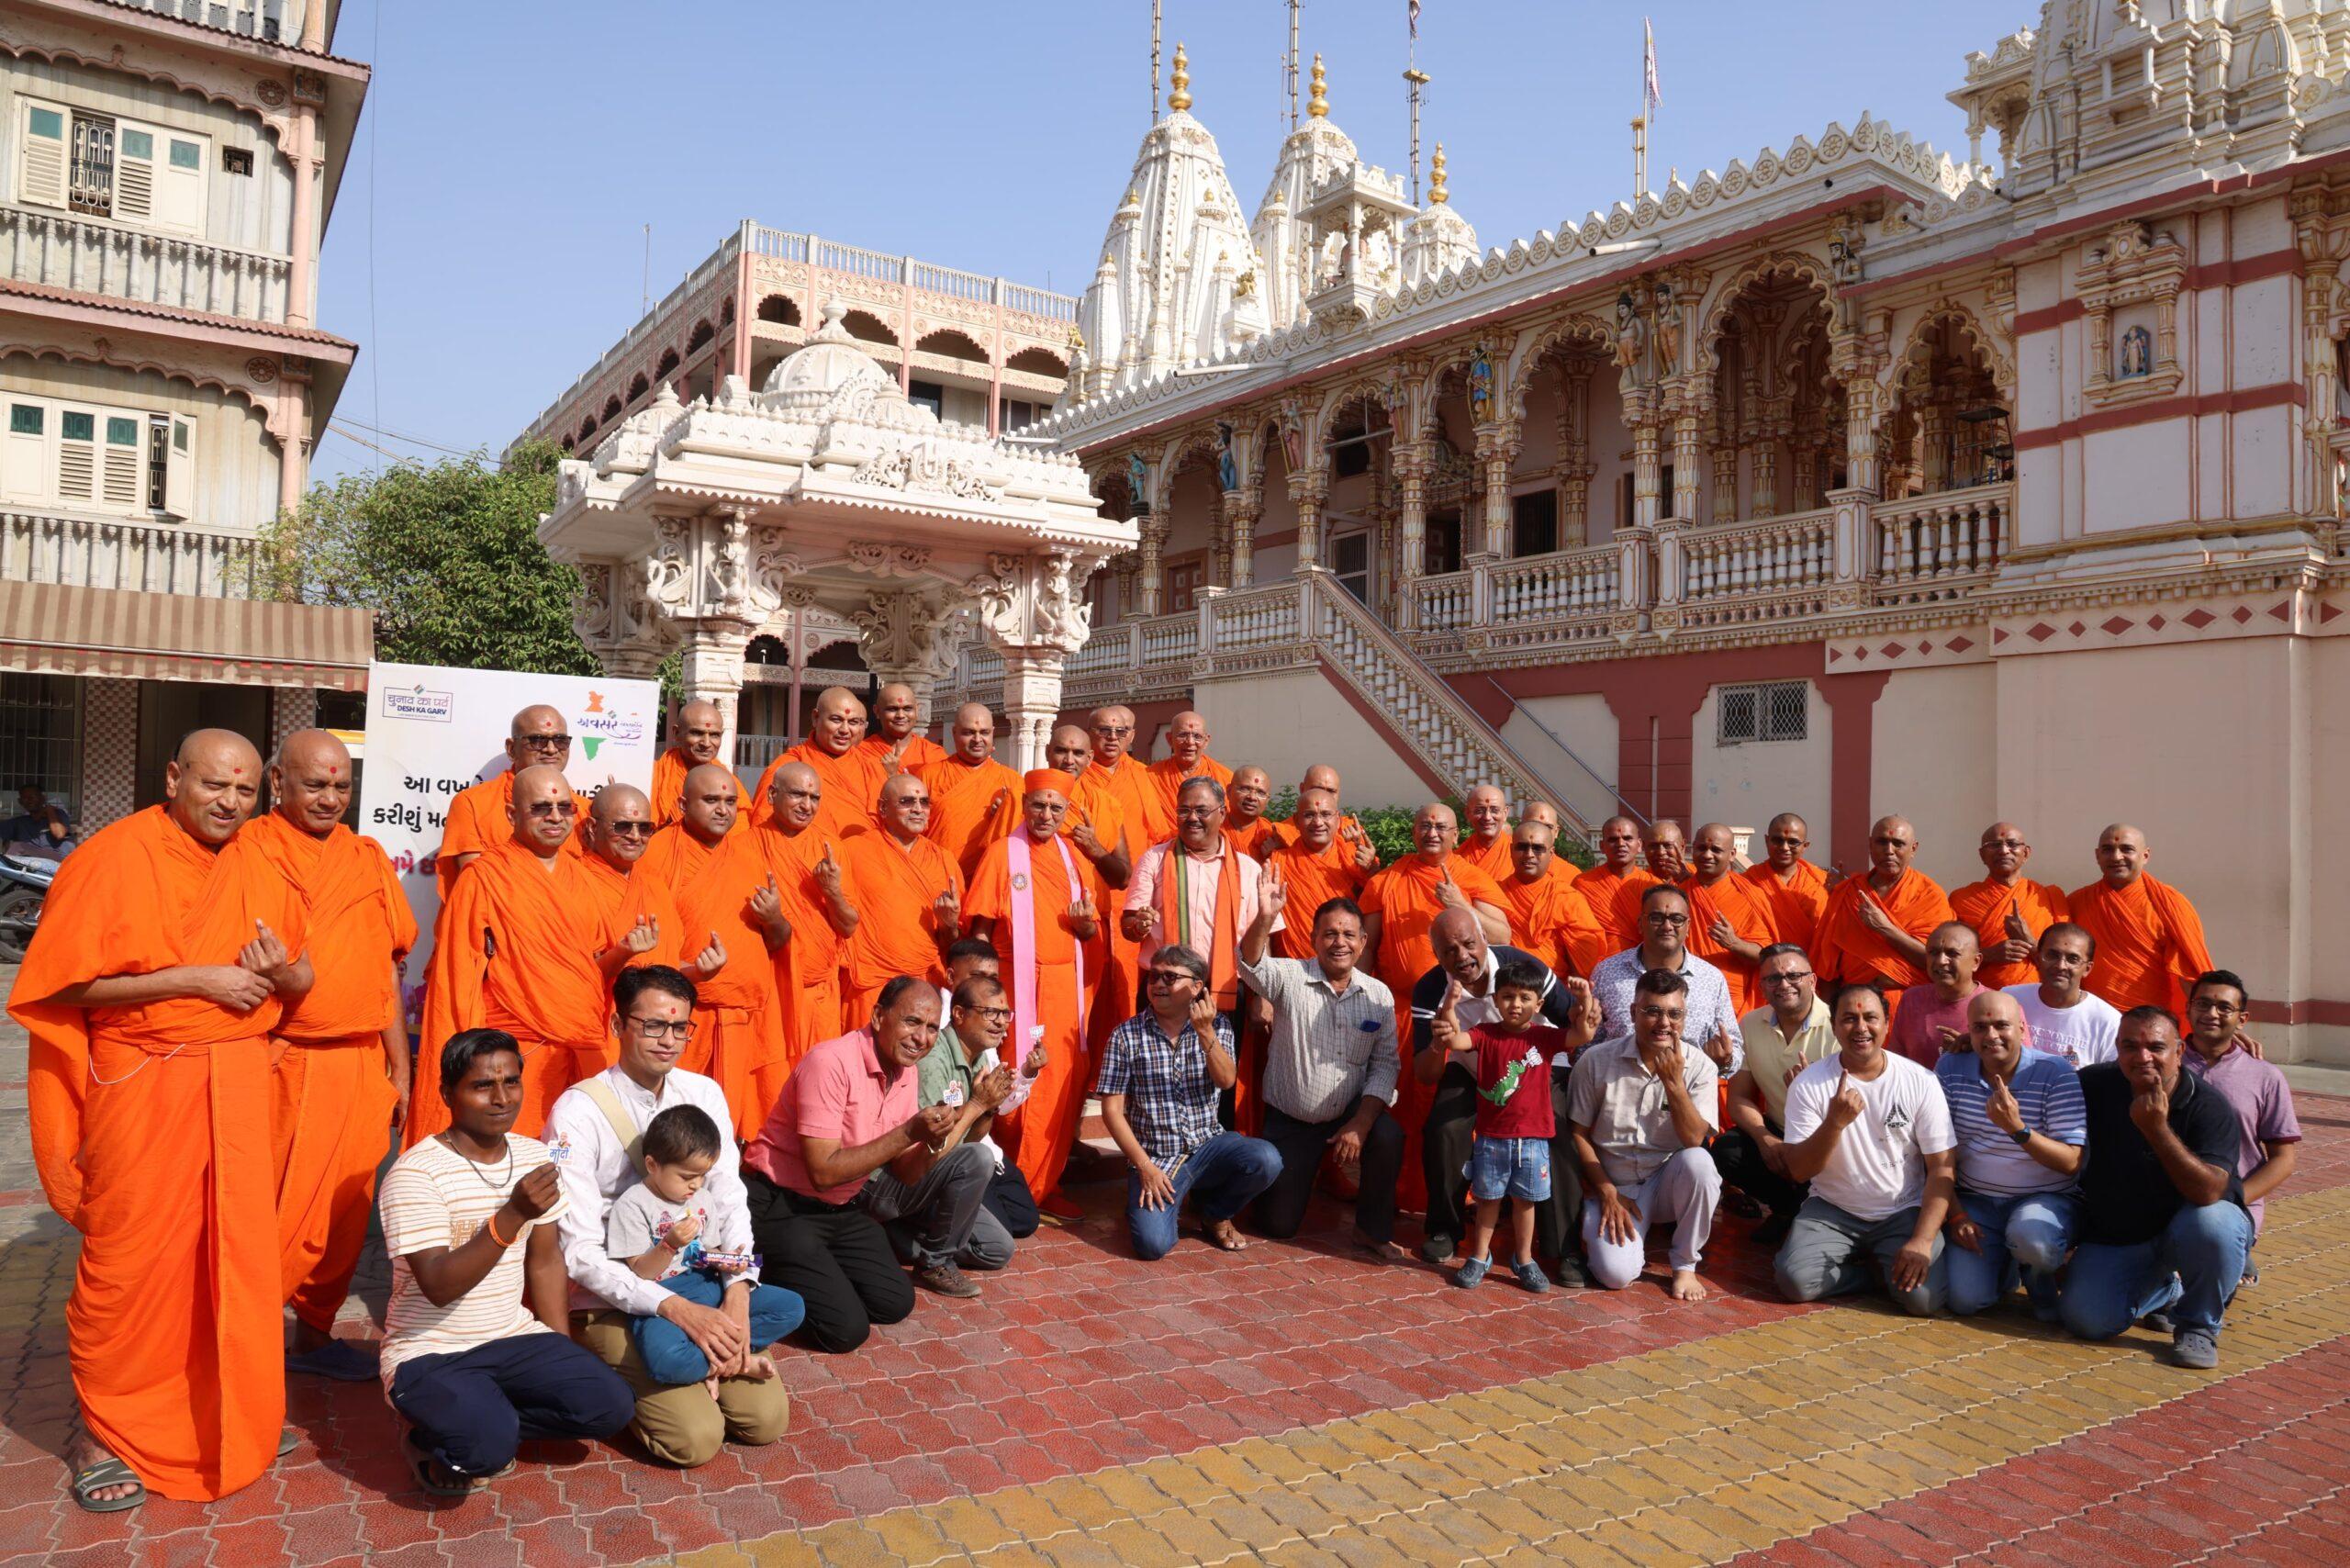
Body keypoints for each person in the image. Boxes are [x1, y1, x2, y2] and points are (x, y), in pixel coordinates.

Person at [14, 729, 311, 1510]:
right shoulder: (111, 857)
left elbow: (303, 972)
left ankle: (229, 1409)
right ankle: (105, 1432)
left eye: (245, 791)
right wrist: (196, 979)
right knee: (131, 1263)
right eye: (214, 785)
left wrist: (280, 969)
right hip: (144, 1087)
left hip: (237, 1086)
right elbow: (57, 984)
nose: (228, 803)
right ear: (175, 777)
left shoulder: (260, 860)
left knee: (233, 1258)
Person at [546, 966, 792, 1463]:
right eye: (653, 1025)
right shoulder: (577, 1113)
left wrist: (738, 1292)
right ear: (617, 1026)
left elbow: (729, 1196)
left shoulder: (703, 1094)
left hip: (701, 1277)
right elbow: (579, 1252)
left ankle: (704, 1359)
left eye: (680, 1027)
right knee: (695, 1440)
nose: (669, 1040)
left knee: (766, 1421)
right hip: (617, 1294)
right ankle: (647, 1370)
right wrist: (676, 1310)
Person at [377, 1030, 636, 1497]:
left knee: (610, 1407)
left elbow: (545, 1264)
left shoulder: (535, 1158)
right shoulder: (415, 1174)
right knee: (483, 1452)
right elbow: (438, 1285)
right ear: (447, 1094)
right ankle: (433, 1433)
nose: (501, 1098)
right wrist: (512, 1214)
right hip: (430, 1352)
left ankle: (485, 1416)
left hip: (512, 1336)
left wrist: (560, 1349)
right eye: (482, 1086)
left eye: (512, 1083)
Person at [244, 729, 418, 1383]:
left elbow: (387, 973)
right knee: (271, 1213)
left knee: (346, 1212)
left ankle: (313, 1336)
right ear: (277, 783)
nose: (329, 798)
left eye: (341, 785)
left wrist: (399, 1067)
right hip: (279, 1061)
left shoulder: (366, 858)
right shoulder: (248, 853)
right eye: (314, 784)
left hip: (358, 1064)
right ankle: (247, 1346)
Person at [410, 767, 660, 1145]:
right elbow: (458, 980)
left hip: (580, 1046)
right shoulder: (484, 878)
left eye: (565, 807)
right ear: (512, 815)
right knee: (513, 1158)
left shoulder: (581, 879)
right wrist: (467, 1064)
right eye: (542, 807)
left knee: (571, 1157)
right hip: (514, 1053)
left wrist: (623, 951)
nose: (556, 817)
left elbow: (590, 972)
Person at [743, 979, 990, 1341]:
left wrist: (933, 1140)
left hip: (839, 1208)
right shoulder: (830, 1062)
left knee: (894, 1302)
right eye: (911, 1022)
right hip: (780, 1205)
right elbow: (823, 1173)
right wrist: (910, 1131)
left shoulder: (906, 1071)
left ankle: (809, 1271)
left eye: (932, 1028)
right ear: (877, 1016)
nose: (921, 1038)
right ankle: (754, 1277)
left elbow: (906, 1174)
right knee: (845, 1330)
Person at [2059, 1007, 2253, 1369]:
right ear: (2116, 1048)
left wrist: (2157, 1130)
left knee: (2212, 1224)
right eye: (2130, 1046)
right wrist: (1972, 1047)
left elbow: (2208, 1192)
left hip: (2192, 1228)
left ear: (2179, 1052)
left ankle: (2198, 1324)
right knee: (2086, 1320)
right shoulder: (2095, 1084)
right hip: (2124, 1234)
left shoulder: (2209, 1106)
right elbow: (2037, 1078)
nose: (2143, 1057)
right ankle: (2166, 1290)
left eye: (2156, 1047)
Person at [1410, 910, 1590, 1277]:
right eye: (1448, 950)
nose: (1461, 956)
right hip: (1471, 1065)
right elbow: (1425, 1074)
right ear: (1436, 955)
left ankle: (1564, 1248)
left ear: (1484, 939)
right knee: (1444, 1128)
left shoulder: (1524, 966)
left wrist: (1588, 1011)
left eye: (1468, 944)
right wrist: (1438, 1041)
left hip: (1536, 1062)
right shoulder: (1431, 989)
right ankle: (1445, 1227)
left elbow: (1568, 1020)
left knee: (1556, 1131)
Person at [1237, 875, 1404, 1254]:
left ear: (1363, 942)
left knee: (1389, 1136)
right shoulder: (1291, 977)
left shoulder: (1378, 995)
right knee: (1277, 1226)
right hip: (1292, 1119)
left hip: (1347, 1113)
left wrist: (1360, 1124)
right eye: (1329, 934)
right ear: (1314, 940)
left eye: (1348, 935)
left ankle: (1371, 1230)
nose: (1339, 942)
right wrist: (1265, 917)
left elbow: (1385, 1066)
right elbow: (1249, 964)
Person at [1773, 981, 1957, 1316]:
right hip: (1833, 1208)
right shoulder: (1810, 1084)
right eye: (1849, 1019)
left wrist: (1922, 1241)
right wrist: (1835, 1123)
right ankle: (1871, 1274)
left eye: (1870, 1018)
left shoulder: (1920, 1080)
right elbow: (1799, 1170)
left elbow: (1941, 1168)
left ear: (1887, 1024)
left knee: (1924, 1301)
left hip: (1902, 1209)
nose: (1861, 1028)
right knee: (1795, 1282)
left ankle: (1890, 1263)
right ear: (1833, 1026)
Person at [968, 770, 1104, 1218]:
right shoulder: (1001, 854)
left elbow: (1091, 927)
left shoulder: (1073, 857)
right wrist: (989, 993)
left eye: (1056, 808)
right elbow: (982, 929)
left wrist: (1086, 927)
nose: (1046, 815)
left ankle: (1048, 1182)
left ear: (1066, 814)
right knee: (1014, 1073)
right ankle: (1013, 1179)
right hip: (1015, 984)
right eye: (1038, 806)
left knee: (1063, 1079)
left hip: (1066, 985)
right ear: (1024, 806)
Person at [1361, 802, 1509, 1205]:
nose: (1432, 832)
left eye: (1441, 827)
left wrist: (1459, 902)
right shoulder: (1388, 880)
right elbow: (1367, 948)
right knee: (1407, 1105)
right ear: (1413, 831)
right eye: (1424, 825)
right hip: (1403, 1012)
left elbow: (1504, 934)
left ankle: (1461, 1196)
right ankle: (1406, 1191)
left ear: (1456, 834)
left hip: (1467, 1012)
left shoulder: (1473, 879)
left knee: (1456, 1105)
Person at [1095, 944, 1283, 1260]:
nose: (1158, 984)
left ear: (1197, 987)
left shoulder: (1217, 1025)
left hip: (1209, 1145)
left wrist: (1205, 1033)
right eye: (1153, 976)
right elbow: (1111, 1111)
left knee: (1266, 1159)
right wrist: (1144, 1166)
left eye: (1170, 977)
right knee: (1152, 1245)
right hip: (1157, 1157)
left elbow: (1226, 1081)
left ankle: (1214, 1213)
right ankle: (1159, 1203)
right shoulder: (1125, 1035)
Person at [637, 764, 788, 1137]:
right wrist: (690, 971)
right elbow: (641, 945)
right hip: (678, 1014)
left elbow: (780, 942)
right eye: (711, 800)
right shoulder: (656, 852)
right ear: (683, 803)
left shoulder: (750, 856)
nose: (723, 809)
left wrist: (773, 919)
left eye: (730, 801)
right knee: (669, 1120)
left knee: (726, 1122)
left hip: (740, 1013)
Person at [604, 1104, 803, 1385]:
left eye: (703, 1175)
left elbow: (708, 1251)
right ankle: (735, 1363)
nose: (696, 1185)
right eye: (687, 1177)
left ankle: (716, 1359)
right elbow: (641, 1272)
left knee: (792, 1307)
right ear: (652, 1165)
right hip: (663, 1297)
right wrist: (669, 1245)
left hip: (706, 1284)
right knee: (664, 1360)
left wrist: (725, 1260)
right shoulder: (632, 1205)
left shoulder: (702, 1199)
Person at [1566, 968, 1720, 1300]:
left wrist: (1674, 1083)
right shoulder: (1595, 1060)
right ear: (1634, 1012)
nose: (1664, 1023)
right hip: (1614, 1181)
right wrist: (1606, 1190)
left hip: (1666, 1183)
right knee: (1614, 1275)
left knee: (1701, 1164)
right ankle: (1601, 1228)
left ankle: (1684, 1265)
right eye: (1653, 1011)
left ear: (1685, 1016)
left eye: (1674, 1014)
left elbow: (1695, 1140)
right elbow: (1577, 1133)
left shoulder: (1700, 1066)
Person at [1936, 991, 2085, 1318]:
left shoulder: (2055, 1072)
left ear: (2021, 1027)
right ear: (1969, 1032)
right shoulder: (1950, 1067)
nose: (1991, 1036)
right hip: (1976, 1201)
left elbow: (2072, 1161)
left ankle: (2039, 1279)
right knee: (1965, 1301)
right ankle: (2005, 1267)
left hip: (2044, 1199)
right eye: (1980, 1027)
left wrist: (2017, 1129)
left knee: (2033, 1238)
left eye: (2001, 1025)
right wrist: (1956, 1214)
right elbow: (1937, 1151)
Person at [1715, 944, 1837, 1247]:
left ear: (1813, 980)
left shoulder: (1839, 1025)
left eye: (1794, 975)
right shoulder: (1751, 1024)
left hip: (1828, 1137)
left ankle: (1813, 1215)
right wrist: (1765, 1139)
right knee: (1727, 1151)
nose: (1784, 984)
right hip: (1778, 1130)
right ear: (1763, 986)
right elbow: (1739, 1098)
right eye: (1773, 978)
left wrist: (1809, 1096)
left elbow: (1854, 1110)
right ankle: (1787, 1210)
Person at [919, 968, 1045, 1254]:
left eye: (1005, 1014)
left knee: (1024, 1221)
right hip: (922, 1170)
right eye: (990, 1013)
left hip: (961, 1157)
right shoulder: (934, 1058)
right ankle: (916, 1239)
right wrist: (978, 1104)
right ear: (959, 1014)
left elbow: (973, 1138)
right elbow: (933, 1151)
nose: (1001, 1023)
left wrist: (987, 1108)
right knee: (996, 1246)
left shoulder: (978, 1055)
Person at [749, 761, 861, 1080]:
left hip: (820, 992)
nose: (807, 805)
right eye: (798, 795)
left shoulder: (831, 849)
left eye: (814, 798)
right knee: (771, 1083)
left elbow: (849, 926)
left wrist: (833, 892)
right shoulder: (747, 846)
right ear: (772, 794)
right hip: (770, 989)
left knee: (819, 1079)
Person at [1125, 777, 1270, 1023]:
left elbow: (1262, 937)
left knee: (1219, 1061)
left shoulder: (1248, 869)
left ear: (1222, 813)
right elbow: (1129, 925)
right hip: (1162, 987)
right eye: (1184, 810)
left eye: (1202, 810)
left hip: (1225, 989)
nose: (1192, 818)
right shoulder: (1154, 859)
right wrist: (1138, 925)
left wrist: (1263, 995)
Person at [2181, 970, 2300, 1245]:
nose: (2211, 1013)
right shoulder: (2162, 1065)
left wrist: (2234, 1198)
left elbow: (2284, 1159)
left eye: (2224, 1007)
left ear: (2242, 1019)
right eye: (2203, 1004)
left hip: (2236, 1201)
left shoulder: (2265, 1077)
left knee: (2210, 1236)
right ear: (2188, 1008)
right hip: (2166, 1197)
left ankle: (2236, 1256)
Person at [839, 774, 965, 1022]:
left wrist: (949, 923)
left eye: (924, 802)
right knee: (866, 1056)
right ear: (882, 808)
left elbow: (953, 945)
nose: (918, 809)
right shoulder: (853, 851)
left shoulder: (943, 859)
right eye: (907, 801)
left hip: (925, 982)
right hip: (871, 984)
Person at [434, 705, 587, 896]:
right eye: (537, 740)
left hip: (571, 921)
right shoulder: (473, 803)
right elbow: (477, 883)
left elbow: (592, 885)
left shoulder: (585, 810)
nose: (551, 749)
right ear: (511, 749)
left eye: (560, 740)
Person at [1585, 885, 1741, 1069]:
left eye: (1676, 919)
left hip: (1689, 1088)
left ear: (1688, 926)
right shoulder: (1608, 972)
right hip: (1619, 1087)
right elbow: (1587, 1042)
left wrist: (1726, 1060)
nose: (1667, 926)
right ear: (1640, 924)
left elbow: (1734, 1046)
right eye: (1656, 918)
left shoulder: (1711, 979)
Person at [2068, 823, 2214, 1016]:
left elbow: (2191, 973)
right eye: (2108, 850)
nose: (2116, 857)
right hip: (2091, 1017)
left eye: (2126, 849)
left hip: (2148, 1018)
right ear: (2097, 855)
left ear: (2145, 855)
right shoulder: (2077, 902)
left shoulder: (2170, 904)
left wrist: (2221, 1023)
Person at [1808, 816, 1954, 1001]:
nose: (1889, 851)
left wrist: (1886, 929)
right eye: (1881, 842)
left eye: (1898, 844)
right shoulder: (1847, 893)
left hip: (1911, 1002)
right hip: (1854, 1003)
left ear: (1913, 849)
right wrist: (1831, 1015)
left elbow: (1937, 961)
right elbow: (1826, 965)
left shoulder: (1930, 895)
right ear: (1870, 845)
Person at [578, 783, 709, 980]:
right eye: (622, 826)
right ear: (592, 827)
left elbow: (668, 966)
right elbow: (571, 973)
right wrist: (622, 953)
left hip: (658, 1007)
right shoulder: (574, 882)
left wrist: (699, 971)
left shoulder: (655, 886)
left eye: (645, 828)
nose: (635, 836)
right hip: (601, 1008)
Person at [1261, 787, 1378, 960]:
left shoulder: (1355, 856)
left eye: (1325, 814)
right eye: (1309, 815)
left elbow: (1376, 905)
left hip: (1345, 964)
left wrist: (1371, 870)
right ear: (1296, 821)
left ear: (1338, 820)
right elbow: (1266, 921)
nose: (1318, 822)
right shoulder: (1279, 861)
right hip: (1294, 968)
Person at [1949, 823, 2068, 991]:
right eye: (1994, 845)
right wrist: (1988, 955)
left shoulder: (2049, 896)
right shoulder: (1961, 899)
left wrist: (2030, 942)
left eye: (2012, 844)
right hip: (1982, 998)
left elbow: (2070, 959)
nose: (2004, 851)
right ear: (1982, 855)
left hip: (2042, 998)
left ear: (2026, 853)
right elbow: (1948, 956)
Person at [753, 686, 880, 839]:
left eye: (853, 722)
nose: (845, 730)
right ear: (815, 718)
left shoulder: (871, 766)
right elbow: (764, 825)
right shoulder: (789, 765)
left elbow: (888, 822)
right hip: (806, 858)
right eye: (836, 719)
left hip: (862, 858)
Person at [921, 703, 1026, 882]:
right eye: (969, 732)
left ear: (993, 732)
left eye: (984, 732)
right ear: (954, 733)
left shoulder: (1013, 781)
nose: (977, 739)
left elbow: (1024, 837)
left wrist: (1006, 816)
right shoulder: (928, 775)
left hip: (988, 879)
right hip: (937, 875)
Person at [1498, 817, 1611, 980]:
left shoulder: (1566, 898)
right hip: (1504, 987)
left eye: (1538, 848)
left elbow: (1585, 962)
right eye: (1522, 847)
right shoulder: (1495, 893)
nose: (1529, 854)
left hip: (1555, 990)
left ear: (1551, 854)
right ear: (1510, 850)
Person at [1684, 823, 1780, 1014]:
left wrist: (1734, 943)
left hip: (1731, 995)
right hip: (1684, 992)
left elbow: (1767, 957)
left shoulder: (1750, 895)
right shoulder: (1678, 894)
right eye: (1701, 848)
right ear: (1692, 849)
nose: (1707, 855)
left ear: (1733, 854)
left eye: (1716, 849)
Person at [2002, 922, 2121, 1067]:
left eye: (2073, 959)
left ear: (2087, 969)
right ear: (2038, 958)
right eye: (2052, 955)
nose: (2060, 966)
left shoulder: (2108, 1022)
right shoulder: (2009, 1000)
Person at [1886, 923, 1986, 1070]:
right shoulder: (1912, 999)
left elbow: (2018, 1068)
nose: (1940, 961)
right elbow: (1895, 1062)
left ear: (1976, 962)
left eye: (1952, 954)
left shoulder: (1998, 1006)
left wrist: (1978, 1050)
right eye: (1933, 952)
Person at [649, 700, 747, 828]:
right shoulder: (653, 775)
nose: (706, 743)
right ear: (676, 733)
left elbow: (739, 833)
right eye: (697, 733)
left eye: (714, 735)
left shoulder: (730, 782)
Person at [1741, 812, 1829, 953]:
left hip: (1811, 967)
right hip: (1763, 966)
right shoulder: (1748, 881)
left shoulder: (1821, 882)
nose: (1784, 847)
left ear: (1805, 846)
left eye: (1793, 842)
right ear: (1766, 840)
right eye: (1778, 840)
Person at [1572, 815, 1656, 951]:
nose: (1620, 844)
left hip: (1642, 963)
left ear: (1639, 845)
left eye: (1627, 838)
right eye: (1613, 839)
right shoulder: (1583, 884)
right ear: (1602, 846)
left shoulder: (1653, 885)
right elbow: (1574, 931)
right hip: (1597, 966)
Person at [1146, 710, 1235, 829]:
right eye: (1182, 735)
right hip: (1161, 846)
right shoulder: (1149, 776)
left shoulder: (1225, 777)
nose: (1190, 742)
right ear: (1169, 739)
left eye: (1197, 736)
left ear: (1206, 741)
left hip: (1209, 845)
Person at [858, 682, 949, 777]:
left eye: (907, 709)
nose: (901, 715)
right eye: (892, 709)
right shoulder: (861, 752)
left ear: (917, 710)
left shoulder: (934, 754)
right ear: (877, 711)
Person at [1457, 784, 1516, 882]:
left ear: (1505, 813)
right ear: (1467, 813)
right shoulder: (1458, 858)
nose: (1487, 817)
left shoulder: (1519, 853)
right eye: (1480, 810)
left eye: (1494, 810)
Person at [1224, 766, 1282, 858]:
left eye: (1261, 793)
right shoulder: (1212, 828)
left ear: (1267, 800)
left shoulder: (1271, 837)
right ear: (1229, 791)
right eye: (1245, 789)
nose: (1252, 797)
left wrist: (1275, 857)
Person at [2, 783, 72, 857]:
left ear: (43, 798)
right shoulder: (20, 822)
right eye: (25, 798)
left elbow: (60, 834)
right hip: (31, 863)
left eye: (32, 797)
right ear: (20, 802)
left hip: (58, 860)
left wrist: (50, 811)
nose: (29, 801)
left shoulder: (58, 814)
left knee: (18, 846)